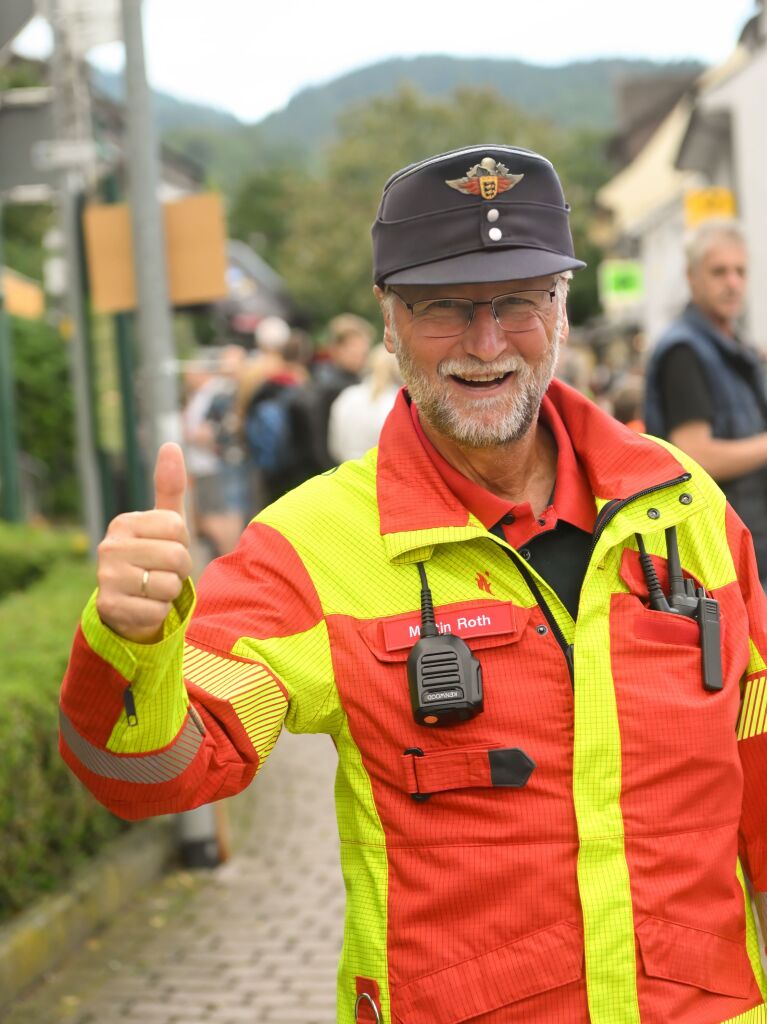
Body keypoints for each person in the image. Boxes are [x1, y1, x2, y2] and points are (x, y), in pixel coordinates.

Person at [60, 146, 767, 1024]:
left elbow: (759, 773)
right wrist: (130, 638)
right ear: (388, 322)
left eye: (517, 301)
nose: (485, 342)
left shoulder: (683, 507)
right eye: (443, 308)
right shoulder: (309, 547)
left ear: (559, 308)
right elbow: (150, 774)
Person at [644, 219, 767, 583]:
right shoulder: (684, 351)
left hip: (748, 545)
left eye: (740, 271)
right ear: (692, 277)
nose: (732, 282)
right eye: (719, 272)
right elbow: (696, 455)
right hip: (718, 556)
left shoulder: (734, 347)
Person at [310, 312, 374, 468]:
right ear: (336, 349)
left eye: (363, 353)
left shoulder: (359, 379)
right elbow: (320, 440)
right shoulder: (328, 386)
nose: (360, 357)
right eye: (354, 351)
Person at [327, 343, 402, 462]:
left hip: (346, 470)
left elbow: (335, 446)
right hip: (380, 473)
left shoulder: (347, 396)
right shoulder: (398, 404)